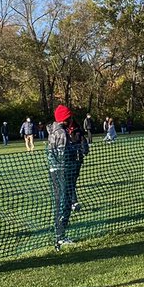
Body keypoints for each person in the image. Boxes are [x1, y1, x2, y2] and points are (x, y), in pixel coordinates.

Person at [47, 104, 85, 248]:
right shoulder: (61, 133)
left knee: (60, 201)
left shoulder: (53, 131)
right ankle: (60, 236)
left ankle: (59, 234)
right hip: (62, 170)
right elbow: (62, 155)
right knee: (64, 201)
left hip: (55, 170)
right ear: (65, 119)